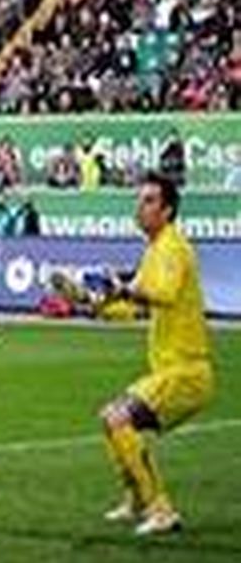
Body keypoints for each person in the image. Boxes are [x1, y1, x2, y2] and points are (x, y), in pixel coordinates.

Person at [96, 173, 214, 536]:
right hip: (171, 372)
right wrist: (98, 306)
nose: (140, 207)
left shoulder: (173, 248)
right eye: (140, 199)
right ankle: (136, 500)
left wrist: (125, 289)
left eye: (148, 200)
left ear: (167, 210)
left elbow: (160, 293)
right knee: (110, 419)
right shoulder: (155, 250)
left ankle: (160, 509)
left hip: (186, 372)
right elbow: (139, 308)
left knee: (118, 418)